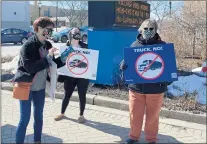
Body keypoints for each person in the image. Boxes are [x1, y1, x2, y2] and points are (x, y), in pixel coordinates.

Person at [13, 17, 71, 143]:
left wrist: (63, 59)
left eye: (51, 29)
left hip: (40, 87)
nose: (50, 32)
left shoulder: (48, 45)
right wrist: (48, 57)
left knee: (38, 117)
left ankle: (37, 140)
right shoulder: (28, 46)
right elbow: (30, 67)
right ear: (39, 29)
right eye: (48, 29)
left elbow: (51, 64)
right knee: (25, 119)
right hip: (26, 86)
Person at [120, 19, 171, 144]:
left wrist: (168, 79)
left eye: (151, 29)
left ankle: (151, 138)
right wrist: (123, 65)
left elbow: (169, 66)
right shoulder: (134, 45)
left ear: (155, 30)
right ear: (141, 30)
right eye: (145, 28)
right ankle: (133, 136)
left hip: (155, 90)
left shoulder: (163, 46)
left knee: (152, 117)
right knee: (134, 114)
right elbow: (126, 62)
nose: (148, 31)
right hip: (136, 89)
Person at [54, 27, 89, 123]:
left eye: (78, 32)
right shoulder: (66, 47)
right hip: (69, 76)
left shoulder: (85, 47)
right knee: (66, 94)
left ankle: (81, 115)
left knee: (82, 95)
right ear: (70, 35)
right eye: (74, 32)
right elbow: (60, 62)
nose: (77, 34)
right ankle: (62, 113)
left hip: (82, 76)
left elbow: (90, 60)